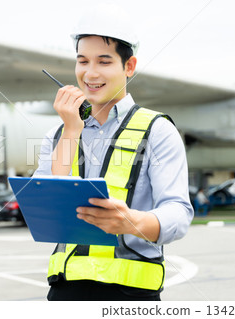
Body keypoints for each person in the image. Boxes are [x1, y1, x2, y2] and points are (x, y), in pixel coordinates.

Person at [34, 3, 193, 301]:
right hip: (64, 294)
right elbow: (45, 208)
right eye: (82, 61)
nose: (90, 73)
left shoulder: (157, 130)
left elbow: (179, 213)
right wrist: (71, 130)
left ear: (129, 67)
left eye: (104, 62)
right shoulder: (58, 134)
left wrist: (132, 221)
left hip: (132, 295)